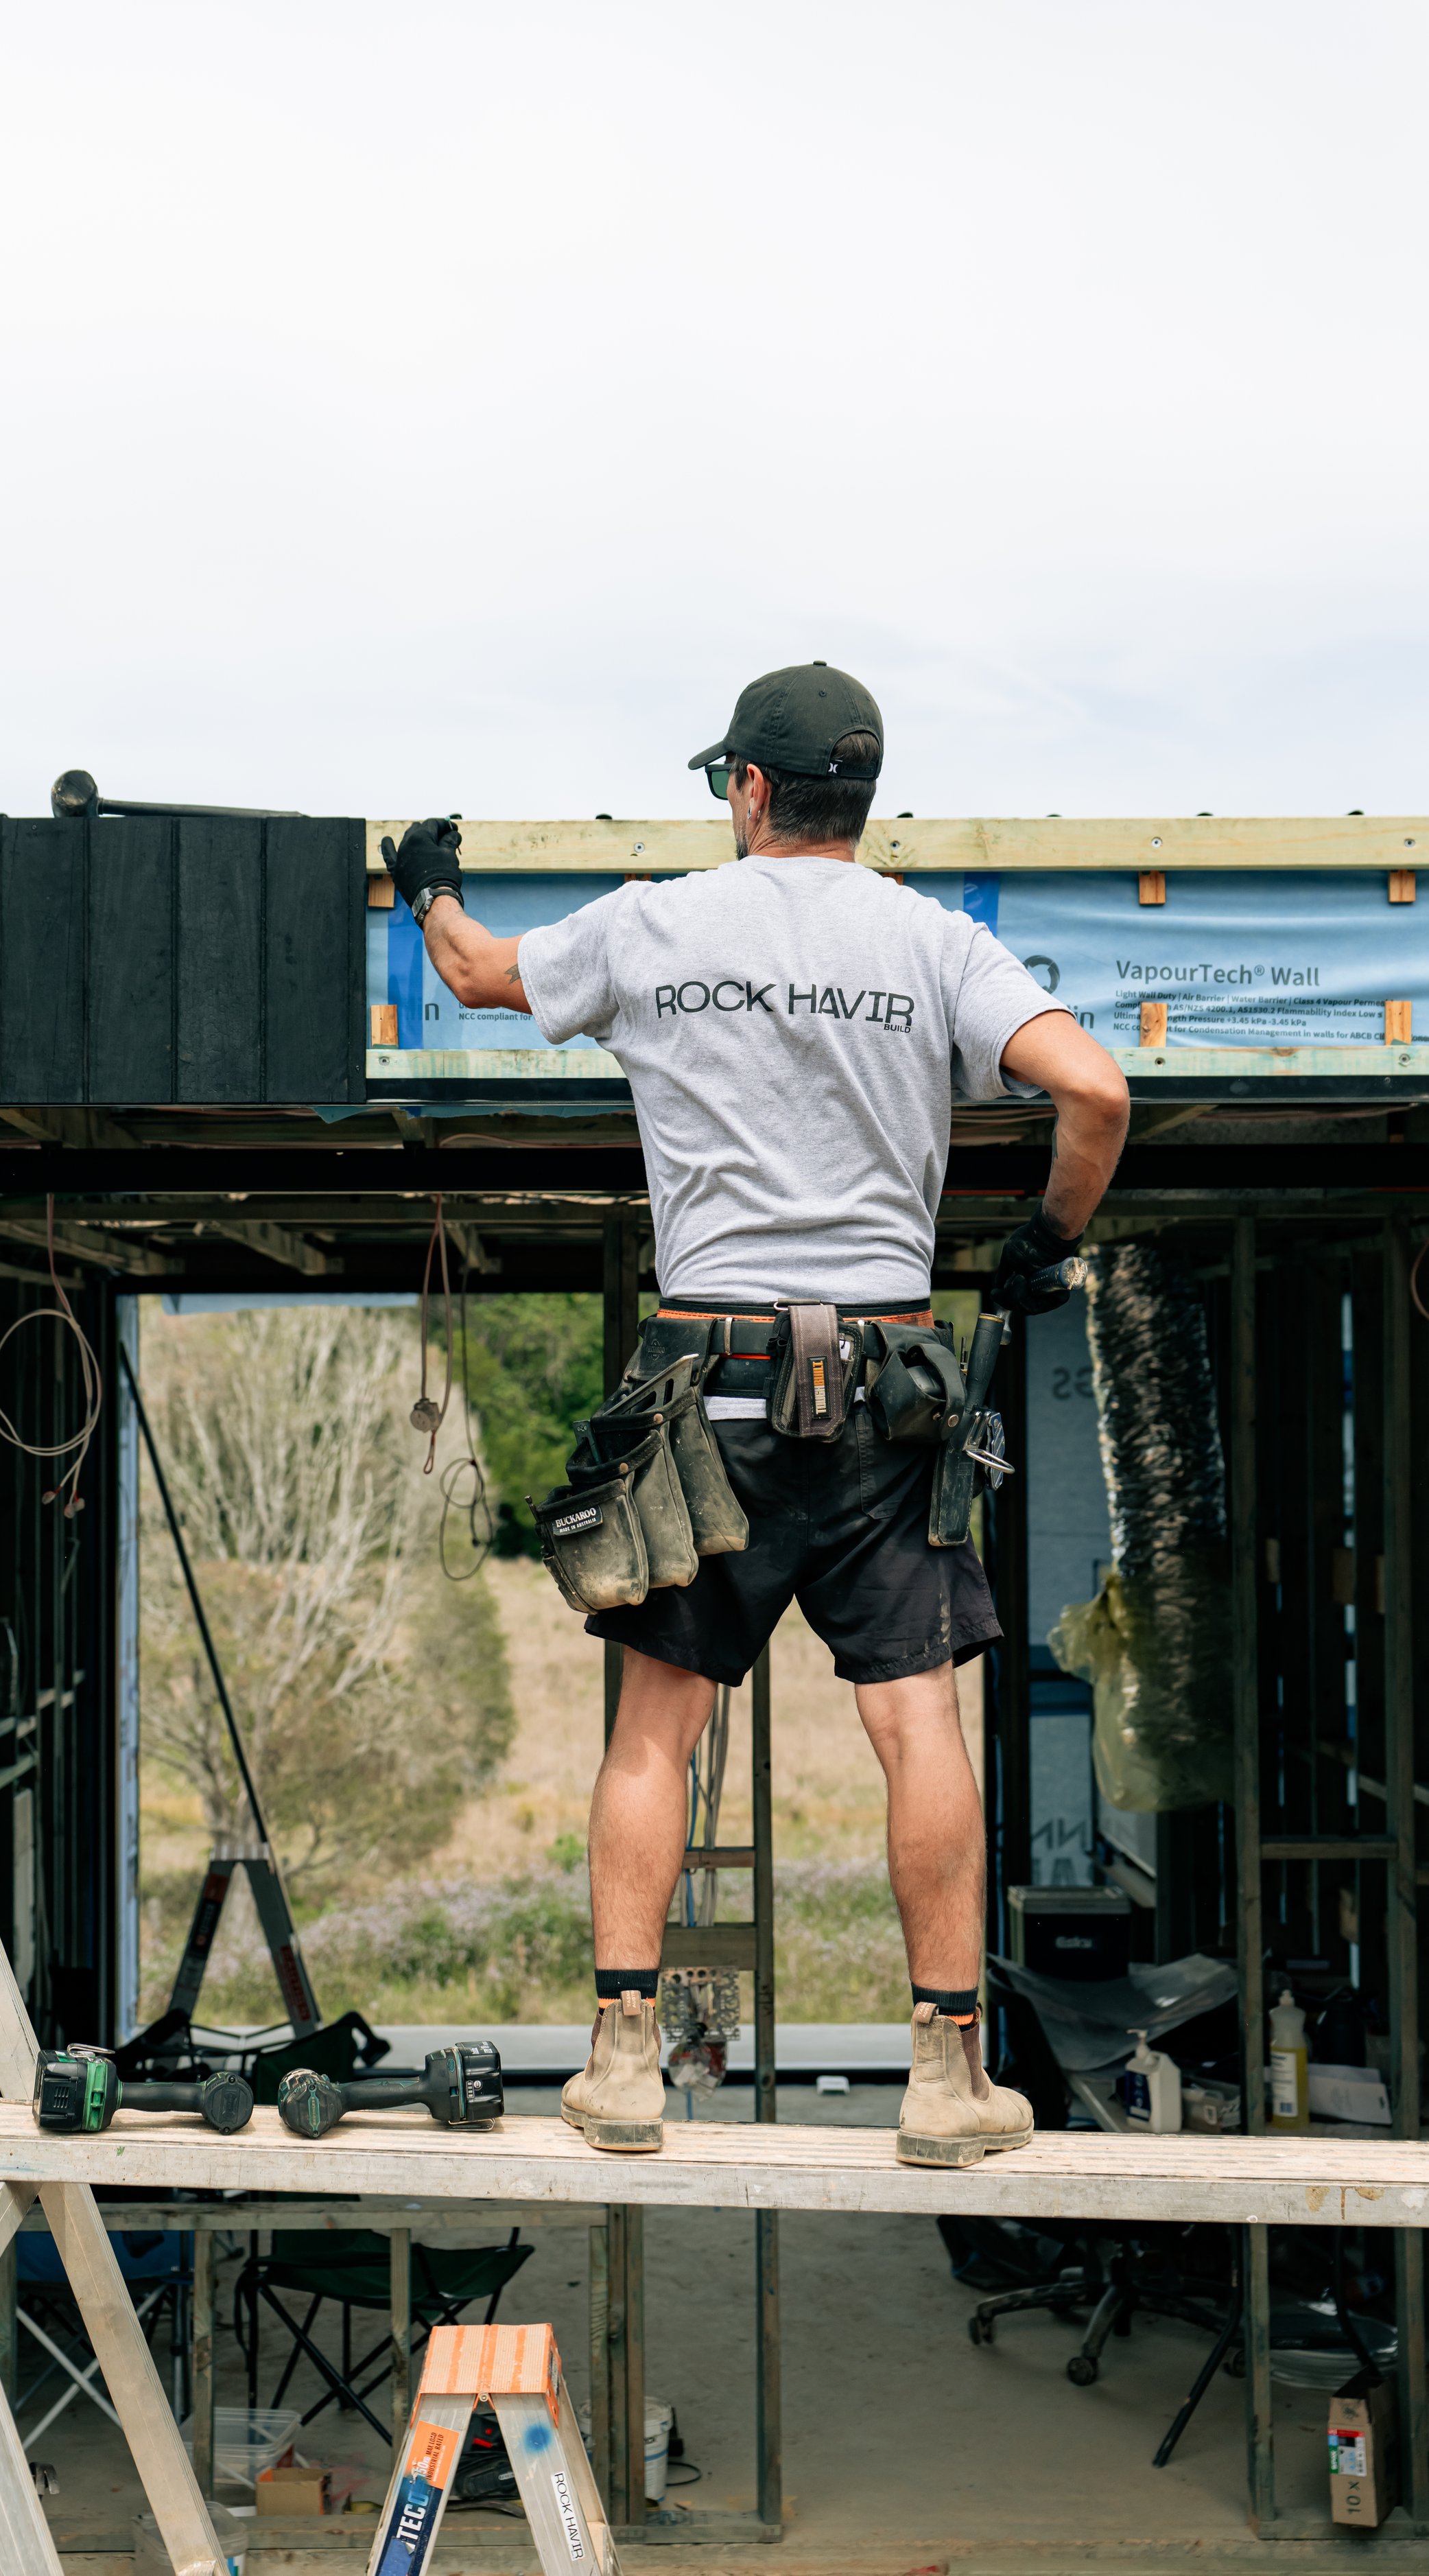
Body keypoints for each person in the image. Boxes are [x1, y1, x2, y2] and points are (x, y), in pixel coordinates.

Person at [382, 662, 1130, 2164]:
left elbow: (471, 975)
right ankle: (942, 2078)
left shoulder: (658, 921)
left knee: (655, 1723)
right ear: (861, 796)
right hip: (886, 1386)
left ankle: (620, 2064)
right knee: (914, 1717)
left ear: (746, 790)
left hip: (707, 1383)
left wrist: (428, 883)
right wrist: (1044, 1240)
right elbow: (1095, 1093)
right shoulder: (931, 942)